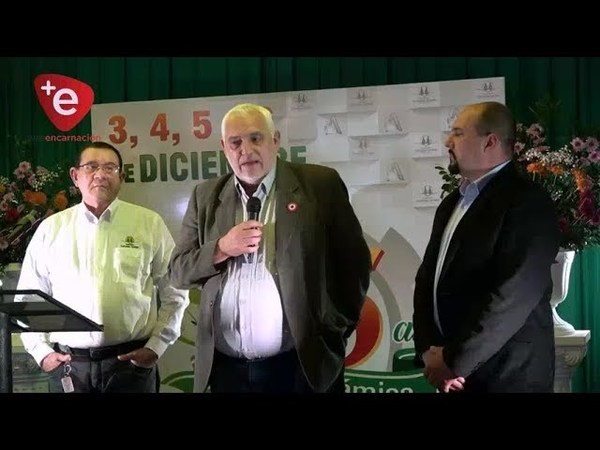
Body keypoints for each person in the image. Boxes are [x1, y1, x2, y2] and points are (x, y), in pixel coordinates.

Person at [168, 103, 371, 393]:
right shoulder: (205, 196)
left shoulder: (319, 185)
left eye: (256, 138)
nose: (246, 150)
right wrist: (222, 248)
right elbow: (178, 272)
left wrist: (334, 330)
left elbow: (354, 266)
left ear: (275, 140)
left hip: (300, 367)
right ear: (224, 147)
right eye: (236, 142)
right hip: (228, 371)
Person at [16, 141, 189, 393]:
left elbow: (176, 289)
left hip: (131, 366)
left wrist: (157, 346)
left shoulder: (148, 223)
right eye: (91, 166)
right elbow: (29, 297)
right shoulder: (51, 229)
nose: (100, 174)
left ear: (121, 177)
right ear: (75, 176)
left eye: (110, 168)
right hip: (69, 366)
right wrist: (41, 352)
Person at [412, 101, 560, 393]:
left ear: (490, 142)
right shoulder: (451, 204)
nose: (447, 141)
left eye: (458, 133)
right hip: (454, 376)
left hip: (508, 376)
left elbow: (511, 296)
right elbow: (427, 281)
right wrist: (430, 352)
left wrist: (454, 361)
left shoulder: (528, 202)